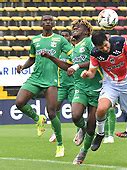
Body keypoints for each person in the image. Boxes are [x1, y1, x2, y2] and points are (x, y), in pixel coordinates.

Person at [41, 19, 103, 165]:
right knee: (75, 116)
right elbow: (67, 66)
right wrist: (51, 57)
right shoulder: (74, 48)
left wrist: (77, 66)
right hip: (80, 87)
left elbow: (96, 61)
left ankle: (83, 152)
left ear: (87, 31)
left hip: (97, 88)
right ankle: (81, 128)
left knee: (92, 126)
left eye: (78, 27)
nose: (74, 28)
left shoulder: (89, 42)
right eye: (73, 27)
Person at [81, 31, 127, 164]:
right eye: (101, 48)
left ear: (107, 39)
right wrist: (86, 73)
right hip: (111, 84)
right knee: (101, 109)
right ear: (96, 47)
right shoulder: (95, 53)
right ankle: (100, 134)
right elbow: (92, 72)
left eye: (105, 45)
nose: (105, 49)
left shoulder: (121, 42)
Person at [15, 15, 73, 157]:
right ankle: (37, 119)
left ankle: (60, 144)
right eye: (45, 20)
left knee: (52, 112)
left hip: (51, 80)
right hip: (35, 78)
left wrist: (72, 64)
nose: (47, 22)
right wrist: (23, 66)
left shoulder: (60, 40)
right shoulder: (35, 40)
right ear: (41, 23)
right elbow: (32, 58)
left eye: (50, 20)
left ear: (53, 23)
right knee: (19, 102)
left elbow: (72, 55)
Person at [49, 31, 75, 143]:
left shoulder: (73, 51)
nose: (64, 37)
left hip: (73, 84)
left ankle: (79, 131)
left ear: (70, 38)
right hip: (60, 86)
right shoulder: (56, 52)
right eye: (62, 36)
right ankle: (55, 132)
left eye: (66, 36)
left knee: (76, 110)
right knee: (54, 108)